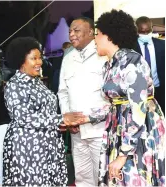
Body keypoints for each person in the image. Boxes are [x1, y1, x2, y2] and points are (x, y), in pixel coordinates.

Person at [94, 9, 165, 186]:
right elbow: (115, 105)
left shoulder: (133, 62)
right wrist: (87, 117)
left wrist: (123, 153)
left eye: (98, 34)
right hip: (119, 131)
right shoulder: (109, 65)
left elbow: (139, 110)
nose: (95, 39)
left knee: (133, 178)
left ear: (109, 36)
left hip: (138, 134)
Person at [2, 36, 85, 186]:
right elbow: (24, 118)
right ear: (21, 60)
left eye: (40, 58)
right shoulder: (14, 85)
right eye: (34, 58)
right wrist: (60, 119)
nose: (39, 62)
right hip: (28, 148)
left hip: (48, 146)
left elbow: (45, 112)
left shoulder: (36, 82)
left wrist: (60, 124)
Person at [58, 17, 110, 187]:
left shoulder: (104, 56)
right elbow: (63, 92)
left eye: (76, 30)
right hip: (77, 132)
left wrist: (90, 118)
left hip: (100, 131)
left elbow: (112, 96)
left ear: (90, 32)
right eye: (70, 31)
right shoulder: (68, 58)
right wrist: (67, 116)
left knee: (104, 176)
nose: (71, 34)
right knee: (82, 178)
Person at [134, 16, 165, 113]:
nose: (145, 34)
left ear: (152, 29)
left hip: (159, 89)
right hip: (139, 92)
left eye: (147, 31)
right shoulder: (131, 46)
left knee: (161, 117)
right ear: (137, 30)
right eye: (142, 32)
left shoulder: (162, 45)